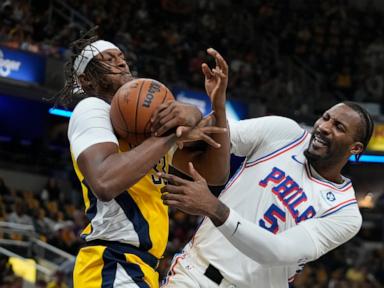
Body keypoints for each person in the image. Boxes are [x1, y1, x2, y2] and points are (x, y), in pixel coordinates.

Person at [57, 27, 229, 288]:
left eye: (121, 56)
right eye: (108, 59)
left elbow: (215, 175)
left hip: (140, 268)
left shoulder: (148, 127)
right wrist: (172, 132)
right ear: (86, 80)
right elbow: (104, 182)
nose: (121, 61)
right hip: (112, 262)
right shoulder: (92, 109)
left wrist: (216, 105)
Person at [160, 99, 374, 287]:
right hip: (194, 274)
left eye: (338, 127)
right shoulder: (284, 133)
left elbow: (278, 252)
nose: (324, 127)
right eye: (325, 118)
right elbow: (213, 138)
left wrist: (213, 207)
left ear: (355, 148)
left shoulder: (345, 214)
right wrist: (195, 117)